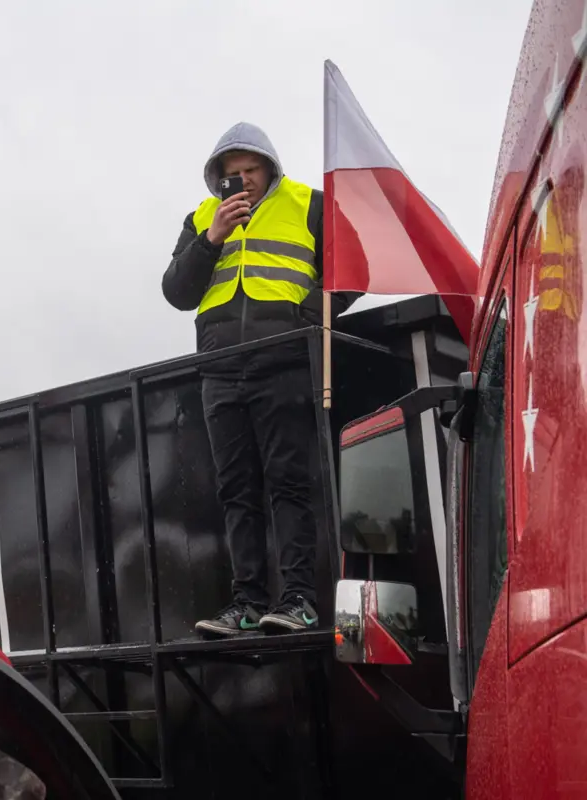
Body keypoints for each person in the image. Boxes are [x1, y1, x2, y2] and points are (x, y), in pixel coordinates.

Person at [161, 121, 358, 637]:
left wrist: (313, 312)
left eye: (250, 170)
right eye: (232, 174)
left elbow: (354, 267)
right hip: (221, 372)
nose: (243, 181)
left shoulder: (307, 203)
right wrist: (211, 239)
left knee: (289, 485)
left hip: (284, 363)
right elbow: (177, 292)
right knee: (236, 491)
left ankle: (299, 600)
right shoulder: (202, 218)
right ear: (218, 178)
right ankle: (246, 602)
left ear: (269, 166)